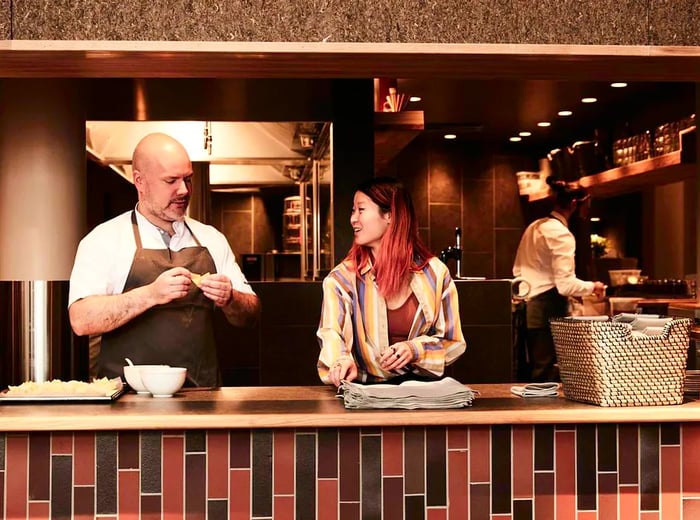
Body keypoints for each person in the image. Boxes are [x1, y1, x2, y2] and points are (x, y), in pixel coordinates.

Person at [68, 132, 260, 387]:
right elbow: (81, 321)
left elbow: (250, 314)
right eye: (171, 180)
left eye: (188, 179)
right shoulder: (104, 240)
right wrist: (150, 295)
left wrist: (230, 298)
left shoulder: (211, 238)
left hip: (201, 397)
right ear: (140, 181)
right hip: (125, 400)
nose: (184, 190)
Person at [317, 177, 466, 386]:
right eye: (353, 211)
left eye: (360, 210)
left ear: (390, 215)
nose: (353, 219)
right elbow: (332, 333)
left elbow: (453, 342)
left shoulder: (436, 274)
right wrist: (340, 361)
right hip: (363, 393)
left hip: (421, 394)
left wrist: (415, 350)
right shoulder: (341, 279)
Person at [512, 177, 606, 382]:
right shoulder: (561, 234)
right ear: (574, 204)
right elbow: (565, 285)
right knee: (545, 373)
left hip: (527, 305)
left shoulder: (535, 226)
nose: (586, 211)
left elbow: (518, 269)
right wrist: (593, 286)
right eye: (586, 205)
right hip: (547, 306)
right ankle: (544, 413)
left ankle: (531, 413)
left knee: (534, 369)